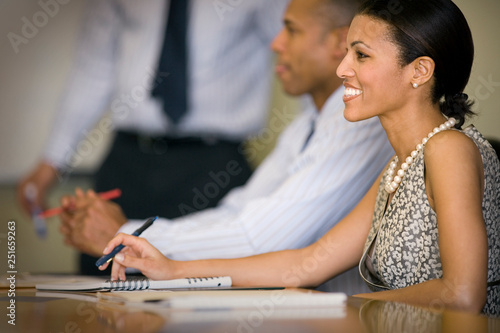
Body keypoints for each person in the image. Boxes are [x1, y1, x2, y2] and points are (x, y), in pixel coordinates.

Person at [99, 0, 500, 316]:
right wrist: (171, 269)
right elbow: (307, 265)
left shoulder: (448, 150)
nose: (342, 68)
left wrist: (344, 306)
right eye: (346, 53)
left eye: (361, 56)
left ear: (419, 70)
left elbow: (461, 294)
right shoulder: (399, 166)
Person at [59, 0, 393, 293]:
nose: (275, 44)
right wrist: (132, 237)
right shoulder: (305, 125)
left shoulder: (363, 122)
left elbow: (264, 239)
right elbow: (240, 212)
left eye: (291, 31)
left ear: (338, 42)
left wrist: (126, 235)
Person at [16, 0, 290, 274]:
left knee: (205, 293)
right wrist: (51, 162)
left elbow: (300, 50)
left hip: (214, 168)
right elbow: (93, 68)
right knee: (101, 286)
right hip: (127, 162)